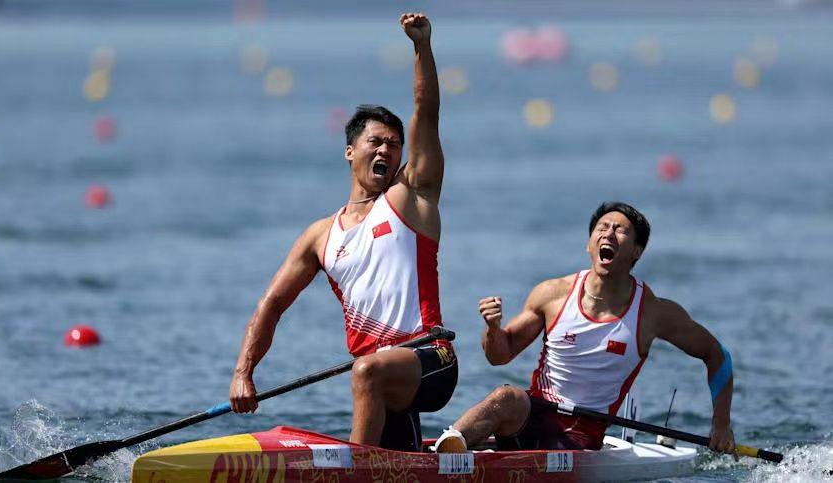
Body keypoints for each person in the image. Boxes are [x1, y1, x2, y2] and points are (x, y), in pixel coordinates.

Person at [229, 12, 457, 452]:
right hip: (381, 375)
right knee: (393, 446)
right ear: (350, 152)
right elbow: (272, 304)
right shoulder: (320, 236)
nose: (387, 149)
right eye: (376, 142)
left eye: (394, 144)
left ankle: (353, 469)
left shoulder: (412, 197)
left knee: (365, 372)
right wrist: (243, 373)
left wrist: (421, 47)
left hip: (431, 357)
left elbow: (427, 114)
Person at [434, 202, 736, 457]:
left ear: (637, 252)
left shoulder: (653, 313)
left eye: (621, 230)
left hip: (581, 434)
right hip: (532, 413)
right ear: (590, 243)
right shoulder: (552, 294)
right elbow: (498, 356)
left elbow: (716, 354)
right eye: (602, 227)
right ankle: (444, 450)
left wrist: (721, 424)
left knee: (548, 443)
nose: (609, 233)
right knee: (506, 396)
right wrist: (492, 328)